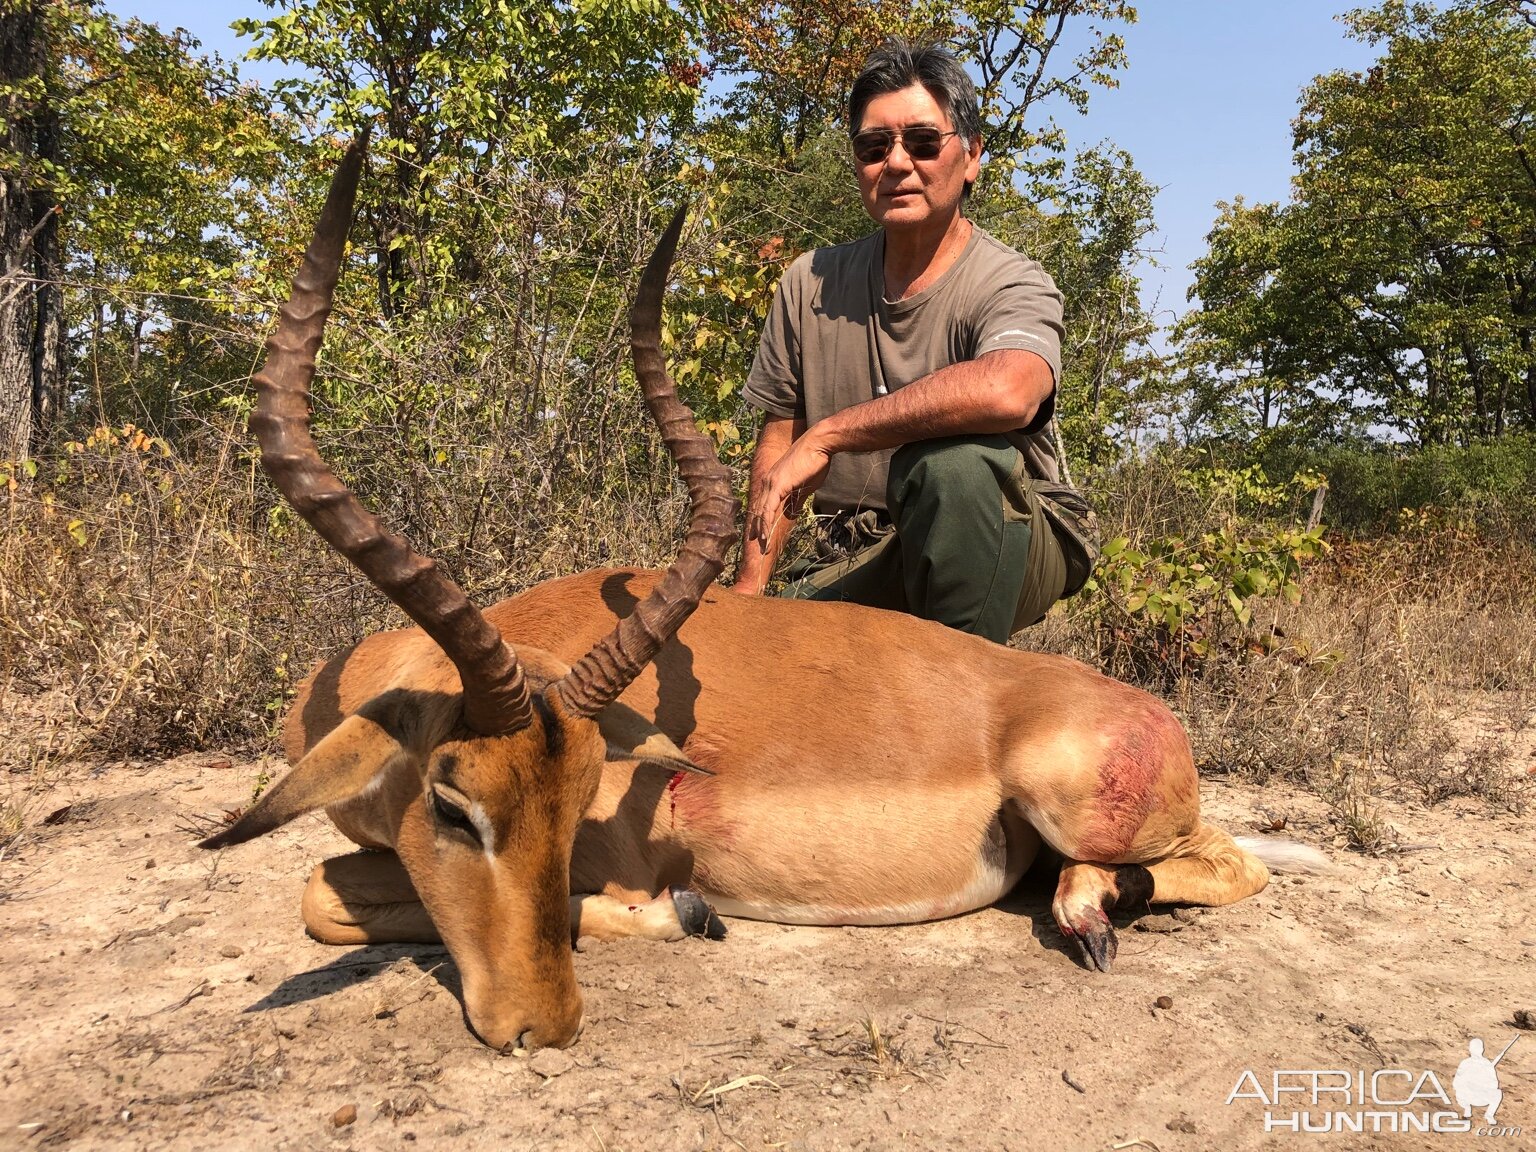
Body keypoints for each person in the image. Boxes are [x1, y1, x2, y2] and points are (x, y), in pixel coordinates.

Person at [730, 38, 1098, 643]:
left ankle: (956, 707)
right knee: (770, 648)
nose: (896, 163)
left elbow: (1010, 391)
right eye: (875, 147)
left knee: (953, 470)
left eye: (923, 143)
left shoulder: (1010, 279)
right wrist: (748, 594)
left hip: (1014, 528)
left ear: (972, 156)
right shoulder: (807, 282)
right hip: (853, 548)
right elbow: (778, 449)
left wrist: (831, 433)